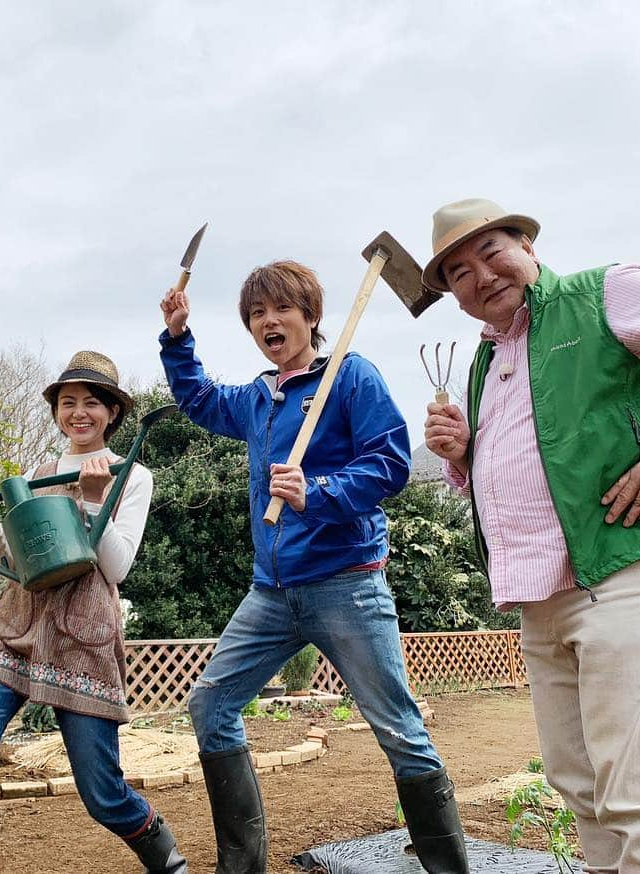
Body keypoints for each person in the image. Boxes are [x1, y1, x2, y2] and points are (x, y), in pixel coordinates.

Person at [421, 198, 640, 873]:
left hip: (631, 568)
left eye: (491, 252)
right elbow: (537, 456)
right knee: (585, 794)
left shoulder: (601, 293)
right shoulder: (487, 361)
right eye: (458, 272)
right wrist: (464, 454)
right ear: (455, 297)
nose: (480, 276)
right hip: (543, 593)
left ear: (527, 245)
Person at [159, 262, 469, 874]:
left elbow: (391, 465)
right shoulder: (258, 398)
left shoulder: (350, 378)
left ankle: (447, 868)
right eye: (256, 314)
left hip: (346, 584)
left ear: (311, 317)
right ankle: (241, 867)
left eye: (281, 310)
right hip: (271, 592)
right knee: (212, 706)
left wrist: (317, 490)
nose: (268, 322)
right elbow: (198, 399)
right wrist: (177, 339)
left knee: (399, 729)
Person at [0, 351, 186, 874]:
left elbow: (116, 570)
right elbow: (14, 564)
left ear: (112, 413)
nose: (79, 412)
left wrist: (97, 502)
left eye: (91, 403)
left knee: (102, 794)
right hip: (15, 631)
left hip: (84, 641)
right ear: (56, 411)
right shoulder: (40, 472)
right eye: (67, 402)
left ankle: (168, 860)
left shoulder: (132, 475)